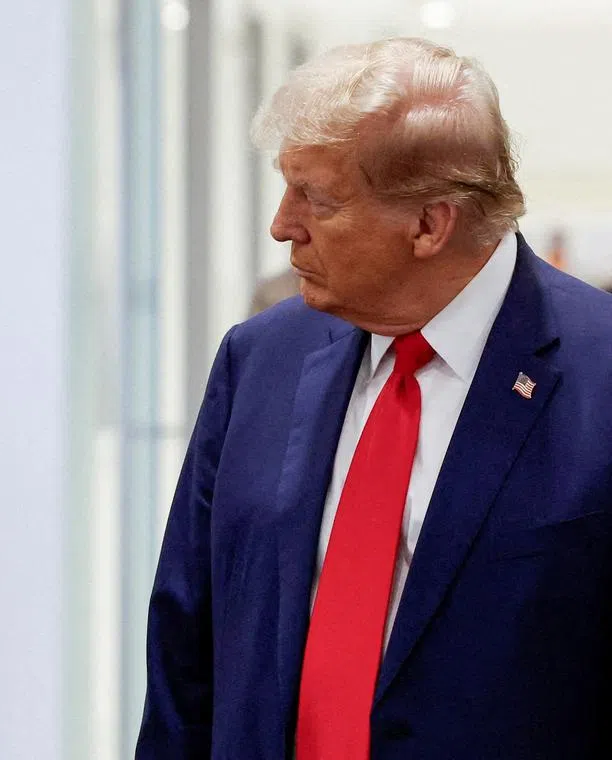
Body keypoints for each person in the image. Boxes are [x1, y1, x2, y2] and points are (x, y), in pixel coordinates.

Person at [137, 37, 612, 759]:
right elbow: (185, 654)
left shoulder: (597, 373)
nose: (281, 224)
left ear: (429, 224)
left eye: (315, 198)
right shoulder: (259, 360)